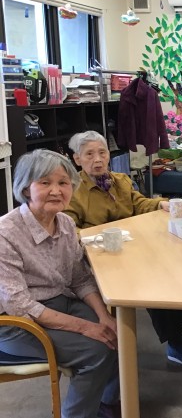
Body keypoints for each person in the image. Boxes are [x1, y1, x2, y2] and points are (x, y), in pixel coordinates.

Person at [64, 131, 182, 368]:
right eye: (89, 154)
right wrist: (95, 236)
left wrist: (160, 204)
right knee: (152, 277)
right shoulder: (73, 190)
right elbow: (68, 228)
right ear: (77, 159)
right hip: (102, 257)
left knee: (177, 266)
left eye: (102, 153)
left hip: (134, 248)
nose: (97, 159)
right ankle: (175, 341)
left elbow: (139, 203)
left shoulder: (120, 180)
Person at [0, 149, 120, 418]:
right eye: (45, 182)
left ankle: (106, 403)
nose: (56, 190)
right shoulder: (5, 233)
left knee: (117, 331)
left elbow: (79, 278)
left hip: (58, 303)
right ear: (26, 188)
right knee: (97, 351)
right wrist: (86, 327)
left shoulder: (65, 223)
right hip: (15, 324)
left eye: (63, 182)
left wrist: (103, 317)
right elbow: (19, 305)